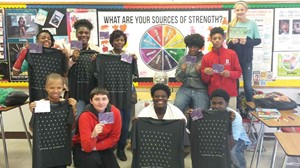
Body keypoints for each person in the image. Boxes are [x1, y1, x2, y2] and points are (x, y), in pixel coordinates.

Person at [29, 73, 77, 168]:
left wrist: (74, 109)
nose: (55, 91)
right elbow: (32, 129)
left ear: (63, 88)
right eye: (51, 88)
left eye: (59, 88)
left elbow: (72, 127)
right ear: (45, 88)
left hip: (61, 151)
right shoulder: (40, 104)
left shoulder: (67, 104)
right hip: (44, 152)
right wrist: (34, 112)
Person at [104, 29, 138, 161]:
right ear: (112, 41)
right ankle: (108, 147)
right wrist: (97, 59)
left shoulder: (129, 56)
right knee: (107, 121)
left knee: (124, 124)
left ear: (124, 42)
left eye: (121, 40)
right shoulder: (105, 56)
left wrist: (134, 60)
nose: (119, 42)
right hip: (109, 95)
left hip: (125, 94)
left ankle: (120, 149)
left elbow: (134, 76)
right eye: (117, 39)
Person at [72, 87, 121, 168]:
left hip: (103, 143)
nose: (101, 102)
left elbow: (114, 138)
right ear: (91, 101)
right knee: (93, 162)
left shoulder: (115, 112)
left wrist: (96, 147)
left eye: (104, 99)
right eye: (97, 99)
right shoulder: (85, 116)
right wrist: (93, 135)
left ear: (108, 100)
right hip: (82, 145)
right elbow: (87, 148)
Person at [227, 1, 261, 102]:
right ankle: (236, 108)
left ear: (246, 10)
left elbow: (258, 40)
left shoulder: (252, 23)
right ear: (235, 11)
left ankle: (250, 110)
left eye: (242, 9)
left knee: (247, 86)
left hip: (247, 59)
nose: (240, 12)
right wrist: (232, 42)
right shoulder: (231, 24)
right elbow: (228, 45)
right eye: (237, 10)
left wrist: (247, 42)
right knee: (235, 85)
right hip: (234, 60)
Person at [201, 27, 242, 109]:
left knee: (231, 119)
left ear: (223, 39)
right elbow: (205, 80)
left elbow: (238, 73)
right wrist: (206, 73)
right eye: (214, 38)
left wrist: (229, 73)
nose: (217, 40)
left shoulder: (232, 54)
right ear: (211, 39)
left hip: (230, 94)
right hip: (214, 96)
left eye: (219, 38)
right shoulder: (206, 57)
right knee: (215, 119)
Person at [68, 19, 102, 117]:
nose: (84, 35)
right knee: (77, 117)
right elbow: (64, 70)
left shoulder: (96, 50)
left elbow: (100, 70)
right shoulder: (68, 48)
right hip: (76, 91)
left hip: (92, 90)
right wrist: (73, 59)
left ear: (90, 34)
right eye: (81, 32)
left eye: (86, 33)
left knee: (93, 117)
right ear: (76, 34)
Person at [209, 89, 251, 168]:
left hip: (239, 139)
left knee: (232, 152)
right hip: (220, 138)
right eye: (213, 103)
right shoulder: (209, 113)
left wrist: (230, 123)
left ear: (227, 104)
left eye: (220, 103)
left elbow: (233, 143)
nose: (216, 106)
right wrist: (191, 115)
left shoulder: (235, 116)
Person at [174, 33, 209, 112]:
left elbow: (207, 80)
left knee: (199, 113)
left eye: (195, 47)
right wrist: (182, 71)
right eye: (190, 47)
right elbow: (177, 78)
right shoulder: (182, 59)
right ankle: (182, 124)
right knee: (177, 108)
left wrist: (200, 71)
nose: (192, 49)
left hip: (200, 89)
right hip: (185, 88)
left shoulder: (205, 59)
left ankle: (194, 124)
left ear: (199, 47)